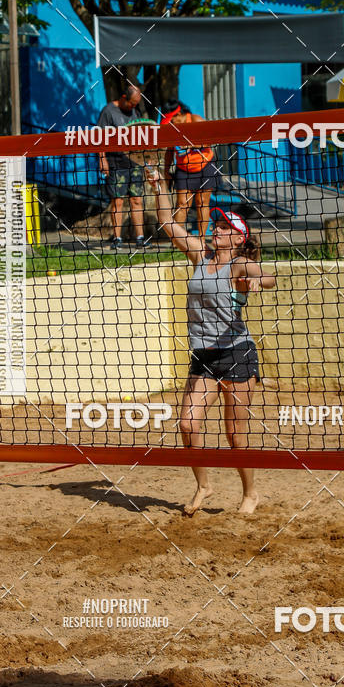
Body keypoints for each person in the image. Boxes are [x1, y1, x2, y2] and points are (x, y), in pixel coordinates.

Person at [145, 165, 276, 515]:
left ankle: (250, 493)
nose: (215, 229)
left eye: (223, 227)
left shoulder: (238, 265)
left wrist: (256, 283)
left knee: (234, 434)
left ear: (237, 238)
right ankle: (204, 485)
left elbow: (267, 277)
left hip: (236, 354)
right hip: (203, 355)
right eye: (215, 225)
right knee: (187, 423)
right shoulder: (200, 257)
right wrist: (159, 185)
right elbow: (167, 223)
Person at [97, 84, 147, 249]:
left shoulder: (135, 111)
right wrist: (102, 159)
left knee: (137, 199)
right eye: (132, 103)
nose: (134, 107)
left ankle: (140, 238)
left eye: (136, 104)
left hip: (135, 161)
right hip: (116, 162)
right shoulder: (108, 111)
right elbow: (100, 137)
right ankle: (117, 239)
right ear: (124, 98)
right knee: (117, 201)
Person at [160, 100, 218, 240]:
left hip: (205, 165)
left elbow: (211, 140)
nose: (171, 123)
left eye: (172, 119)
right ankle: (178, 241)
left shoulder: (196, 120)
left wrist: (190, 145)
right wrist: (166, 172)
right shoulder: (171, 128)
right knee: (182, 204)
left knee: (202, 203)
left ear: (179, 114)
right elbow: (169, 151)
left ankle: (201, 239)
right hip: (183, 169)